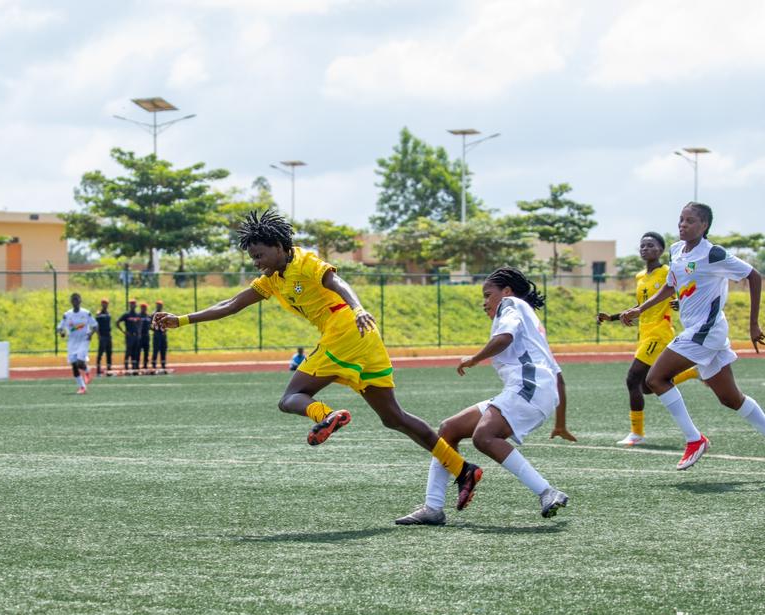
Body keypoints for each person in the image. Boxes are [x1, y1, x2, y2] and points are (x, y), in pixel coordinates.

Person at [152, 209, 483, 516]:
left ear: (280, 247)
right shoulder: (271, 280)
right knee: (394, 418)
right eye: (252, 257)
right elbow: (232, 303)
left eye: (259, 255)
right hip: (363, 338)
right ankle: (462, 469)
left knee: (289, 398)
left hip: (346, 329)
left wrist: (357, 307)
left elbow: (337, 283)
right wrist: (181, 320)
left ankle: (327, 415)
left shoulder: (306, 263)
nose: (255, 262)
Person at [396, 267, 571, 526]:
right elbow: (558, 377)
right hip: (533, 390)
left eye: (488, 295)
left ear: (507, 292)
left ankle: (547, 491)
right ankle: (433, 507)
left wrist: (474, 359)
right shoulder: (531, 321)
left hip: (529, 387)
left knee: (484, 436)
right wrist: (560, 422)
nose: (485, 302)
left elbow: (505, 338)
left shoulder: (510, 305)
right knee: (449, 429)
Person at [619, 202, 765, 470]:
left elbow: (754, 277)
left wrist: (753, 325)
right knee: (731, 399)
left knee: (654, 379)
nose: (682, 225)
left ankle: (694, 439)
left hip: (706, 331)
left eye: (689, 221)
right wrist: (641, 308)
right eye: (681, 220)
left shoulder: (714, 254)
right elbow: (671, 285)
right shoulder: (676, 250)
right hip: (700, 332)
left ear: (704, 225)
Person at [597, 232, 699, 445]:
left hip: (659, 333)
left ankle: (636, 434)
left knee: (632, 378)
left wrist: (680, 301)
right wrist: (614, 317)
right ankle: (691, 373)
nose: (645, 249)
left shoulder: (667, 272)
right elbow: (642, 306)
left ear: (660, 250)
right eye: (642, 246)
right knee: (645, 386)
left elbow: (688, 285)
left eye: (650, 245)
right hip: (644, 333)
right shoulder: (640, 277)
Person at [57, 292, 97, 395]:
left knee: (79, 362)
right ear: (71, 302)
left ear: (80, 301)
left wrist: (91, 334)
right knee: (74, 365)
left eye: (77, 299)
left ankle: (87, 370)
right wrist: (61, 333)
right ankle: (82, 387)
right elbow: (59, 328)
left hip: (84, 339)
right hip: (72, 342)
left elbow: (95, 326)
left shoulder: (86, 313)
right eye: (73, 300)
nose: (75, 301)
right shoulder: (67, 315)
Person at [117, 299, 141, 372]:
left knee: (135, 351)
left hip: (136, 335)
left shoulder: (137, 315)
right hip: (129, 335)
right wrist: (123, 331)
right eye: (131, 304)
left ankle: (134, 366)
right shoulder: (126, 314)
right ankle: (126, 366)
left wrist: (139, 332)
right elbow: (117, 322)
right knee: (128, 351)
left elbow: (140, 323)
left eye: (134, 304)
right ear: (130, 305)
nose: (132, 305)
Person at [94, 299, 113, 376]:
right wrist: (99, 335)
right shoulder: (99, 314)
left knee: (109, 353)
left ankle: (109, 370)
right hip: (103, 336)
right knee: (100, 353)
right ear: (101, 304)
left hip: (108, 335)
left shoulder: (108, 313)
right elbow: (96, 326)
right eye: (103, 303)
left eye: (106, 304)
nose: (105, 305)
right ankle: (98, 371)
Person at [151, 300, 169, 370]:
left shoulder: (164, 314)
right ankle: (154, 364)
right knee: (155, 349)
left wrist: (165, 329)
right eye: (158, 305)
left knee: (163, 349)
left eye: (160, 305)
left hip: (163, 334)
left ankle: (163, 364)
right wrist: (154, 329)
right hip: (157, 333)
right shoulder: (154, 314)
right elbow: (150, 324)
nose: (159, 306)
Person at [137, 302, 152, 370]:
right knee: (138, 351)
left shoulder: (148, 316)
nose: (144, 308)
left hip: (146, 335)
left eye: (145, 307)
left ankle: (145, 365)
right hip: (140, 336)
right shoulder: (138, 316)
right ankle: (137, 365)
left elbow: (151, 326)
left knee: (146, 351)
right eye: (142, 307)